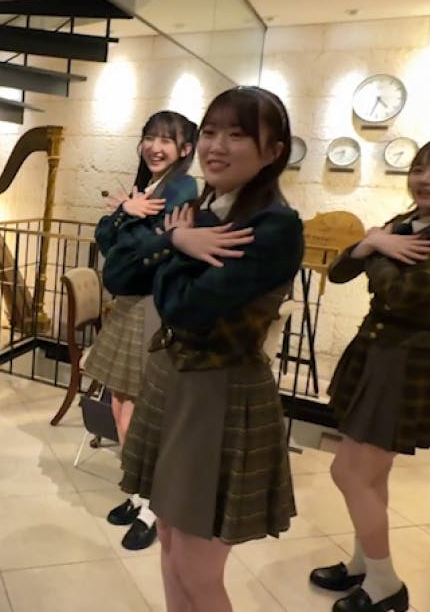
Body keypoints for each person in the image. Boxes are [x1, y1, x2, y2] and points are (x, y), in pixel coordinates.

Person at [103, 86, 304, 612]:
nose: (217, 145)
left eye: (237, 135)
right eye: (211, 131)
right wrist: (175, 241)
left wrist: (173, 249)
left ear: (273, 151)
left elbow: (186, 309)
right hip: (174, 382)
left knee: (197, 566)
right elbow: (118, 273)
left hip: (219, 394)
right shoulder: (200, 207)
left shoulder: (273, 225)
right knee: (170, 543)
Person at [309, 138, 430, 612]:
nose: (424, 179)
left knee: (350, 473)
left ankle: (386, 584)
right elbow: (340, 272)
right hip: (376, 352)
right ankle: (363, 564)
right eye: (419, 168)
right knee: (370, 475)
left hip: (409, 358)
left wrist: (377, 247)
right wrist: (372, 242)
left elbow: (405, 297)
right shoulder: (405, 223)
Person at [91, 110, 199, 551]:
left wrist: (122, 223)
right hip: (132, 303)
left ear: (185, 149)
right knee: (121, 402)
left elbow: (131, 248)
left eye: (166, 140)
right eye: (150, 137)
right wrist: (124, 212)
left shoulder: (182, 188)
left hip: (151, 305)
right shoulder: (150, 188)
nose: (155, 147)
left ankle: (154, 506)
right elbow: (105, 238)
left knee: (140, 411)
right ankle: (138, 494)